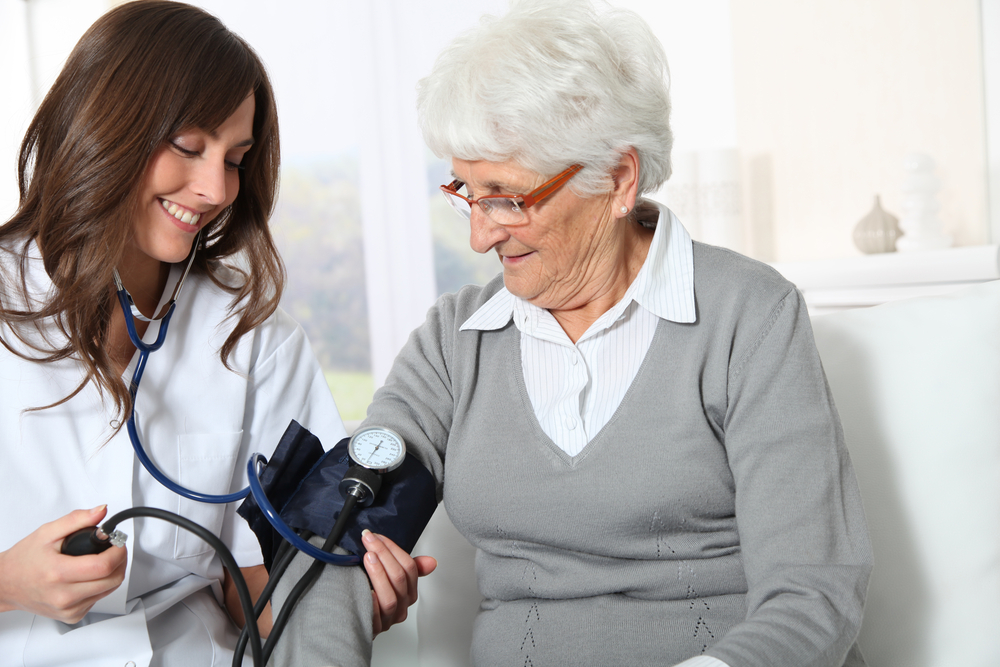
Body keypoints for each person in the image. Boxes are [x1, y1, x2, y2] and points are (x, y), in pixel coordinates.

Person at [274, 0, 873, 665]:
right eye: (465, 191)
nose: (478, 235)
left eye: (506, 197)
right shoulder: (456, 341)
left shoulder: (749, 318)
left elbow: (814, 593)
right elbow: (330, 537)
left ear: (618, 179)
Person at [0, 2, 431, 665]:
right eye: (188, 147)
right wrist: (8, 583)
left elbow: (251, 580)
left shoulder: (254, 334)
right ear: (103, 124)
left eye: (236, 157)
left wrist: (336, 592)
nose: (214, 189)